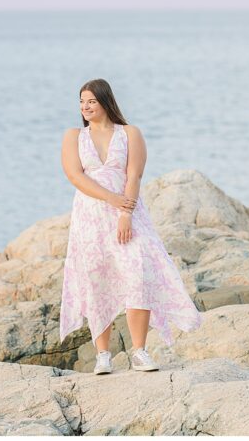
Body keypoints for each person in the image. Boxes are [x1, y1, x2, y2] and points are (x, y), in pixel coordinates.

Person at [59, 78, 203, 375]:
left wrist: (125, 213)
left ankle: (139, 351)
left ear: (105, 102)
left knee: (138, 273)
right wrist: (112, 200)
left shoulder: (130, 134)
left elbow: (134, 176)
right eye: (81, 102)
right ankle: (103, 356)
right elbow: (75, 176)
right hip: (90, 217)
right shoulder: (74, 136)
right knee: (97, 280)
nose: (85, 107)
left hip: (128, 214)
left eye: (91, 101)